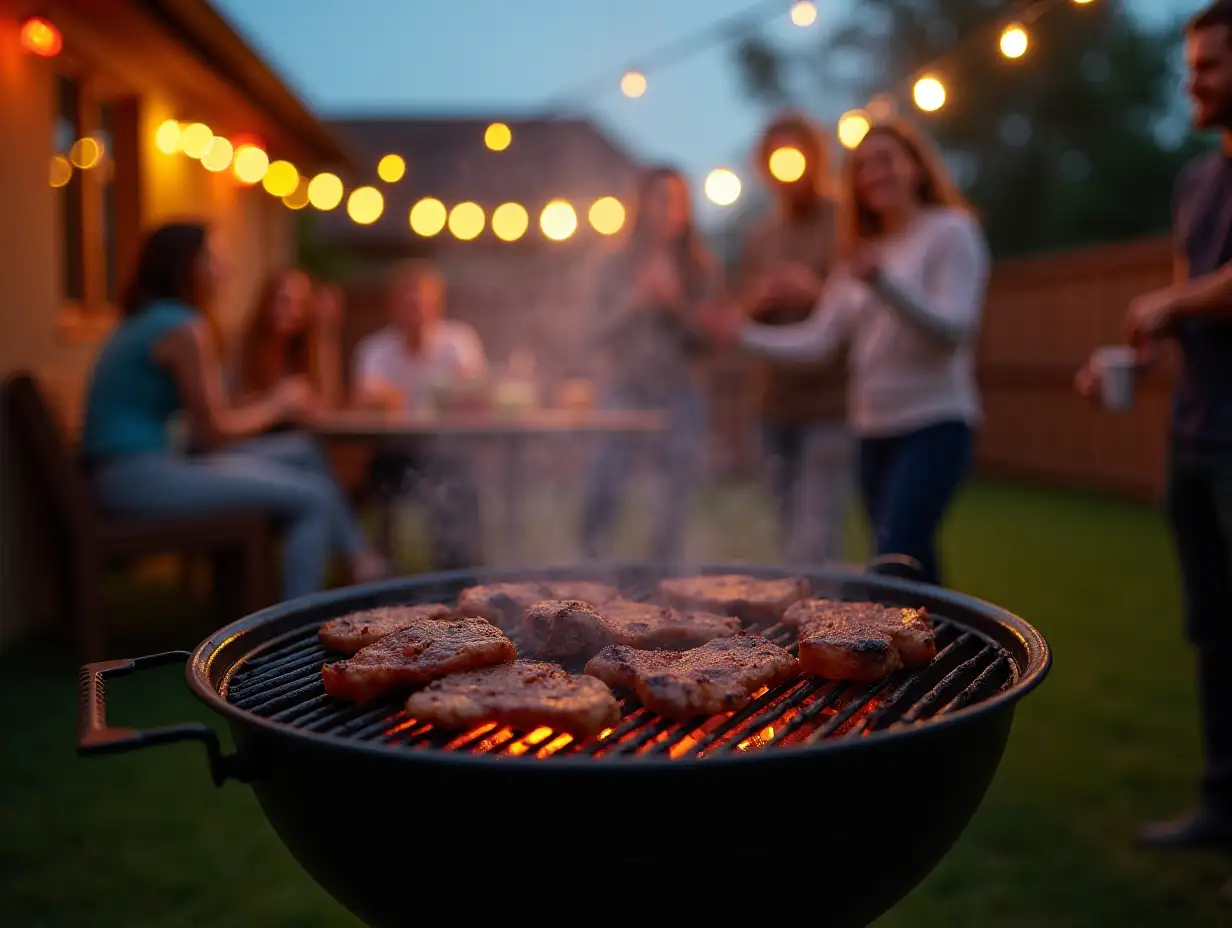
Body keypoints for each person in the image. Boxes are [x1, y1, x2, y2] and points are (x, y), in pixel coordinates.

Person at [1075, 3, 1232, 898]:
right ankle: (1221, 803)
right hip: (1195, 436)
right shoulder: (1197, 184)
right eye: (1190, 65)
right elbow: (1190, 298)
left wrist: (1170, 308)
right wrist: (1132, 358)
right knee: (1214, 634)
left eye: (1209, 65)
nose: (1193, 81)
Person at [708, 119, 989, 586]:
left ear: (917, 167)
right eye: (862, 166)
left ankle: (899, 646)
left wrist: (884, 284)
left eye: (886, 160)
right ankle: (936, 651)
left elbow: (954, 332)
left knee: (890, 562)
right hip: (871, 427)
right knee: (912, 562)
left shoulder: (951, 232)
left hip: (934, 424)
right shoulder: (861, 252)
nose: (874, 174)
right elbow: (818, 341)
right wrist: (740, 334)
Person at [80, 222, 387, 601]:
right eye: (214, 256)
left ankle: (358, 557)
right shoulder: (182, 327)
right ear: (188, 265)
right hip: (138, 478)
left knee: (304, 451)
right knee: (313, 496)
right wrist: (279, 403)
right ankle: (297, 621)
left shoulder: (147, 319)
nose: (224, 267)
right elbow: (214, 432)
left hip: (127, 471)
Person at [580, 164, 718, 563]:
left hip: (680, 394)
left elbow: (710, 341)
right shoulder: (613, 263)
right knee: (604, 486)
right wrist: (635, 301)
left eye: (676, 200)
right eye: (659, 199)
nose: (668, 209)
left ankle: (664, 579)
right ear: (641, 205)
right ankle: (587, 572)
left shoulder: (701, 268)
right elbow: (593, 332)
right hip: (624, 391)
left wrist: (676, 305)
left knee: (672, 500)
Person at [735, 112, 850, 565]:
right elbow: (738, 314)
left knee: (817, 533)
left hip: (828, 404)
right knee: (786, 533)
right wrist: (757, 300)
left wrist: (815, 292)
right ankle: (805, 626)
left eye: (795, 155)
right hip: (772, 404)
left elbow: (862, 305)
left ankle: (834, 628)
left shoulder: (843, 220)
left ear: (815, 158)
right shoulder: (761, 234)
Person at [352, 259, 486, 569]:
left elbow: (476, 394)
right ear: (393, 307)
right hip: (393, 457)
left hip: (446, 454)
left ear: (437, 305)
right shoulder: (375, 350)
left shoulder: (458, 341)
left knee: (459, 478)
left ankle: (461, 572)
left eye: (423, 303)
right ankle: (386, 572)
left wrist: (466, 391)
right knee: (385, 478)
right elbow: (364, 402)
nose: (416, 312)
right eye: (408, 304)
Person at [234, 269, 343, 412]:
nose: (294, 311)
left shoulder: (308, 344)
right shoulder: (246, 343)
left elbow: (329, 403)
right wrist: (278, 400)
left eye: (302, 303)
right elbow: (232, 406)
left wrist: (325, 333)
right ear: (268, 301)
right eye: (284, 301)